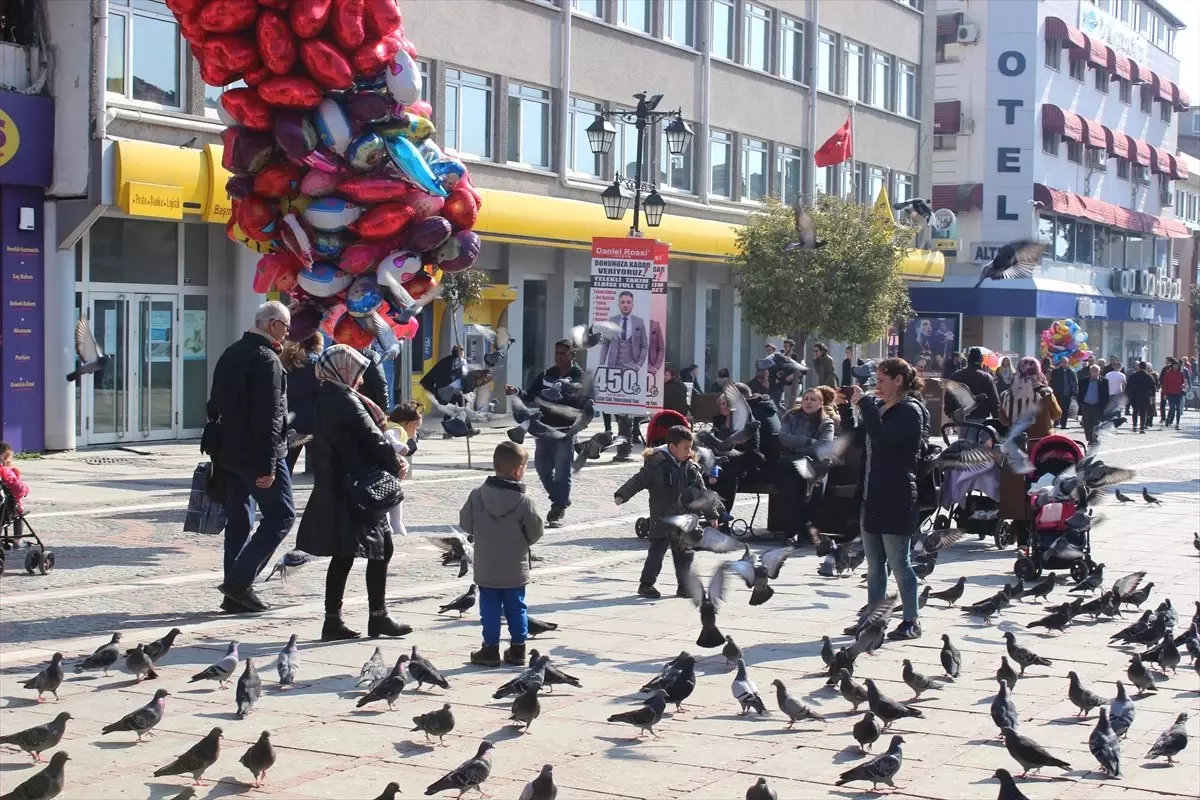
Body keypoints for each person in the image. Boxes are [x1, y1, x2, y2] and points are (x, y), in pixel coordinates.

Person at [295, 346, 410, 641]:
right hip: (358, 487)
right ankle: (378, 616)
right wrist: (395, 461)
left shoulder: (321, 396)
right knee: (382, 549)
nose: (359, 380)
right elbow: (373, 438)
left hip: (335, 485)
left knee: (343, 553)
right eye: (356, 373)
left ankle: (333, 620)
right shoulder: (345, 399)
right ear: (342, 370)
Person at [206, 300, 295, 613]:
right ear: (272, 324)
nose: (288, 333)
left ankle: (234, 596)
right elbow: (269, 416)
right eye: (286, 326)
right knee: (281, 516)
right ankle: (239, 583)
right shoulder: (267, 359)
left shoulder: (231, 352)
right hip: (256, 452)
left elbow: (213, 403)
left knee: (240, 520)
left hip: (228, 452)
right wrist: (269, 463)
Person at [838, 359, 925, 640]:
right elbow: (857, 437)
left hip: (897, 495)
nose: (877, 384)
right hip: (870, 495)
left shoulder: (910, 412)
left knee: (900, 563)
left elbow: (883, 440)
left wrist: (863, 405)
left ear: (898, 381)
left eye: (882, 379)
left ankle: (911, 620)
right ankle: (873, 619)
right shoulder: (878, 409)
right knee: (874, 565)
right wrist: (844, 406)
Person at [460, 441, 545, 666]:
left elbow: (465, 523)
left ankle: (489, 649)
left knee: (489, 609)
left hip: (487, 566)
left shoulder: (477, 495)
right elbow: (536, 531)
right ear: (518, 471)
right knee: (517, 607)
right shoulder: (524, 501)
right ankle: (518, 649)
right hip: (515, 567)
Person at [614, 425, 705, 599]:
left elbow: (703, 492)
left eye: (690, 447)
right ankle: (646, 584)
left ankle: (684, 586)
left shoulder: (690, 467)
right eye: (685, 448)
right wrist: (622, 494)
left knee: (684, 555)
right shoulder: (657, 464)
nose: (689, 451)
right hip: (661, 519)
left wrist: (714, 514)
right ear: (672, 447)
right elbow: (638, 480)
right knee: (656, 554)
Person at [505, 340, 585, 528]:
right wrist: (516, 391)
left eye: (562, 354)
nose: (558, 357)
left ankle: (558, 508)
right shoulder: (546, 374)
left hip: (565, 432)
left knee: (562, 472)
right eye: (556, 353)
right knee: (542, 468)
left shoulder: (580, 377)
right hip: (542, 428)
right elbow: (531, 396)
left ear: (572, 355)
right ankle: (561, 499)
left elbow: (584, 404)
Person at [776, 388, 836, 541]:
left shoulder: (826, 422)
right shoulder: (791, 416)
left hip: (814, 465)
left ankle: (807, 530)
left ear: (821, 403)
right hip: (791, 462)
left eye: (813, 399)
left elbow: (824, 445)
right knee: (789, 489)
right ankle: (792, 533)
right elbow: (783, 438)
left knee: (815, 489)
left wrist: (796, 444)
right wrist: (808, 440)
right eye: (806, 399)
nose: (808, 402)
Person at [281, 332, 323, 474]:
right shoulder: (316, 362)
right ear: (317, 344)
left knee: (286, 466)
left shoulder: (286, 361)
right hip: (313, 422)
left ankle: (283, 495)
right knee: (321, 469)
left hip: (290, 421)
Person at [385, 402, 423, 536]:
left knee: (393, 497)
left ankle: (394, 523)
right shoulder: (397, 429)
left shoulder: (392, 426)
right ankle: (395, 523)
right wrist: (398, 446)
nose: (416, 433)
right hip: (388, 472)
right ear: (410, 425)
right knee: (393, 497)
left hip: (390, 471)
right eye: (416, 429)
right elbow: (389, 437)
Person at [946, 347, 1001, 441]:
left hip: (961, 417)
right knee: (974, 448)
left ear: (968, 360)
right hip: (980, 418)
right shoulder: (986, 377)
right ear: (981, 361)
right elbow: (994, 402)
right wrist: (997, 420)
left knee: (962, 444)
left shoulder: (956, 375)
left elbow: (949, 396)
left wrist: (950, 413)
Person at [999, 358, 1060, 438]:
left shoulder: (1005, 395)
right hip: (1041, 442)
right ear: (1038, 371)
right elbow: (1057, 414)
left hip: (1015, 443)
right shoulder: (1045, 393)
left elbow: (1004, 421)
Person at [598, 291, 647, 370]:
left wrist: (639, 365)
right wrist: (601, 364)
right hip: (613, 366)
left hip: (632, 367)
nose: (625, 305)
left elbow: (644, 346)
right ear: (619, 305)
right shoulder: (612, 320)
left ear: (632, 305)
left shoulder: (639, 322)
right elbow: (605, 344)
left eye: (628, 302)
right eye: (622, 302)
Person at [1076, 364, 1110, 444]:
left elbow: (1106, 395)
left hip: (1097, 405)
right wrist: (1080, 404)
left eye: (1096, 371)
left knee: (1096, 423)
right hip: (1087, 404)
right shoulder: (1083, 381)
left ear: (1099, 371)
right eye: (1093, 371)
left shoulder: (1104, 381)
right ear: (1090, 372)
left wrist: (1104, 406)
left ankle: (1093, 439)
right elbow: (1080, 393)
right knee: (1086, 423)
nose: (1094, 373)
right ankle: (1089, 437)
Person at [1126, 361, 1156, 434]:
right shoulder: (1149, 376)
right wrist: (1153, 397)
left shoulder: (1133, 375)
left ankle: (1134, 425)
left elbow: (1128, 386)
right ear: (1145, 367)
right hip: (1145, 396)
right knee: (1143, 412)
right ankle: (1142, 427)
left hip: (1134, 396)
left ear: (1139, 367)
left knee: (1135, 411)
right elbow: (1153, 388)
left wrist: (1128, 395)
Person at [1049, 360, 1078, 429]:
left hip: (1067, 394)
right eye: (1063, 362)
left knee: (1065, 410)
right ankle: (1056, 423)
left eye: (1066, 362)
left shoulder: (1071, 371)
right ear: (1061, 363)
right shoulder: (1056, 371)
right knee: (1057, 409)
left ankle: (1063, 424)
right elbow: (1052, 381)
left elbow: (1075, 382)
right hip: (1058, 394)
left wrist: (1075, 392)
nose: (1065, 363)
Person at [1160, 357, 1187, 429]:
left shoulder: (1181, 373)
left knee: (1178, 409)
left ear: (1178, 366)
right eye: (1174, 366)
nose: (1175, 367)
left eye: (1177, 366)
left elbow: (1182, 382)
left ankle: (1177, 424)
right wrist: (1165, 393)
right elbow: (1165, 384)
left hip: (1178, 393)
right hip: (1170, 394)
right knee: (1172, 409)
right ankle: (1168, 420)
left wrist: (1183, 386)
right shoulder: (1168, 373)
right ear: (1172, 366)